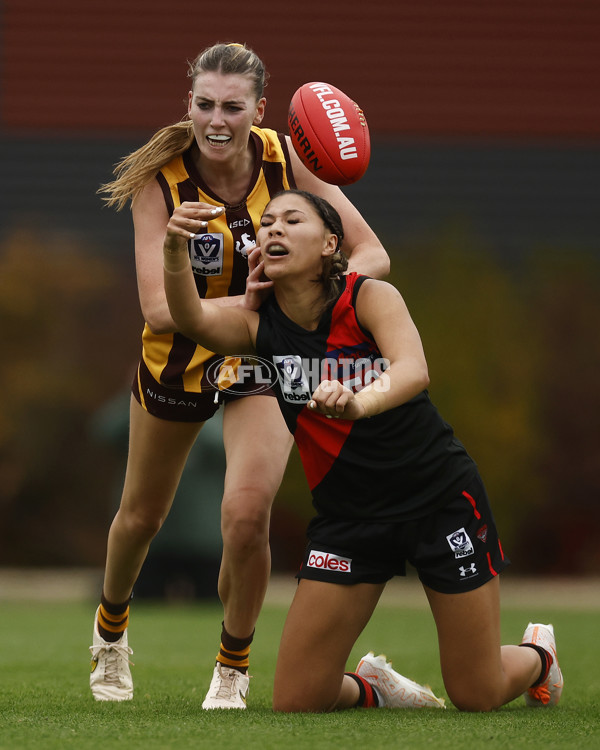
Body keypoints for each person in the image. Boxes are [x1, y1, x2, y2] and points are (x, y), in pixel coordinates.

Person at [162, 188, 564, 713]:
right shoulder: (258, 328)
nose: (274, 228)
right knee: (297, 700)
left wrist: (357, 403)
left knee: (478, 692)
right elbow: (190, 318)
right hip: (351, 518)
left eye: (292, 220)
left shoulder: (368, 296)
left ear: (331, 242)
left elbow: (412, 369)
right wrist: (174, 250)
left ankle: (539, 653)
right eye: (267, 224)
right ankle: (378, 687)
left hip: (437, 500)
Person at [88, 42, 389, 707]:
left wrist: (317, 290)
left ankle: (232, 665)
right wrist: (253, 298)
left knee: (247, 515)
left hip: (260, 358)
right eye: (204, 104)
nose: (216, 119)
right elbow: (161, 309)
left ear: (259, 107)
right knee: (141, 515)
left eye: (232, 105)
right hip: (179, 356)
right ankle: (110, 633)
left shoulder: (288, 159)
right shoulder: (160, 180)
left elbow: (371, 252)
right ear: (188, 105)